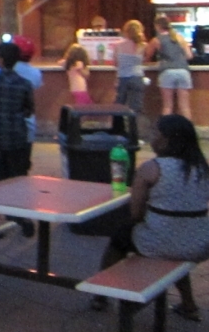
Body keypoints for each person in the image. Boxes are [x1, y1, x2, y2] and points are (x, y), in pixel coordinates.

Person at [90, 115, 209, 320]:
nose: (152, 137)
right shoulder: (202, 168)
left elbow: (136, 213)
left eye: (155, 133)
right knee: (177, 241)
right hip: (199, 244)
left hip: (162, 242)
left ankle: (101, 295)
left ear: (167, 139)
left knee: (120, 238)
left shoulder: (151, 168)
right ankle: (189, 305)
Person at [0, 41, 36, 236]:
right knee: (17, 180)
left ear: (0, 60)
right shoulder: (25, 84)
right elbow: (29, 110)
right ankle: (18, 216)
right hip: (17, 138)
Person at [146, 15, 193, 119]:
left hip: (167, 72)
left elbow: (147, 56)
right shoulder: (179, 37)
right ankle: (188, 132)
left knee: (168, 106)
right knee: (184, 107)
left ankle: (166, 133)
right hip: (183, 71)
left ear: (157, 26)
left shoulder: (156, 40)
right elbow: (189, 56)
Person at [115, 20, 147, 114]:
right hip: (137, 77)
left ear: (126, 31)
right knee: (136, 106)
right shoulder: (142, 46)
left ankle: (119, 126)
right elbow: (145, 60)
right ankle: (135, 126)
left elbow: (115, 63)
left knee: (119, 104)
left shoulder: (118, 45)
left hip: (123, 77)